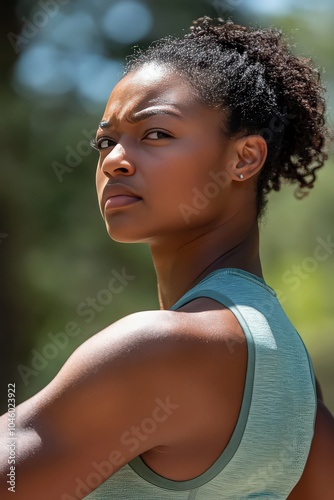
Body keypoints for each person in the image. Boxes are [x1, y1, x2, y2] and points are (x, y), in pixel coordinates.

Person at [1, 16, 333, 500]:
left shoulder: (160, 347)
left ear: (244, 159)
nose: (114, 159)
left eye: (156, 133)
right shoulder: (294, 379)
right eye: (105, 141)